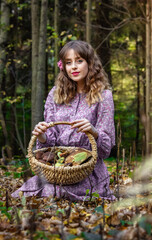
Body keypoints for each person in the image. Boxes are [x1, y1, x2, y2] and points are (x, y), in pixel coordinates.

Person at [12, 40, 115, 201]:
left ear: (90, 63)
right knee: (24, 193)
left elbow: (105, 150)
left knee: (52, 193)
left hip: (88, 171)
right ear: (63, 67)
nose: (73, 67)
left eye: (79, 61)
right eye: (68, 62)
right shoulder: (56, 94)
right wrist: (42, 136)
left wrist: (93, 132)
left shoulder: (104, 96)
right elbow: (50, 145)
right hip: (58, 169)